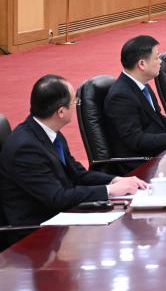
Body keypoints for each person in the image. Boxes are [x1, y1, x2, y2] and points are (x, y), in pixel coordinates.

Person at [0, 75, 147, 238]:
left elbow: (78, 174)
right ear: (61, 112)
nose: (76, 104)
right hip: (35, 233)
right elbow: (56, 197)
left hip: (61, 217)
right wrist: (109, 190)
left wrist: (115, 180)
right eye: (74, 102)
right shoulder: (25, 148)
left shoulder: (49, 132)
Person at [103, 36, 166, 173]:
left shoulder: (141, 86)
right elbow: (136, 140)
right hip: (140, 165)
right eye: (156, 58)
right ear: (142, 64)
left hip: (158, 155)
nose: (160, 62)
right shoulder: (121, 96)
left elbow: (159, 120)